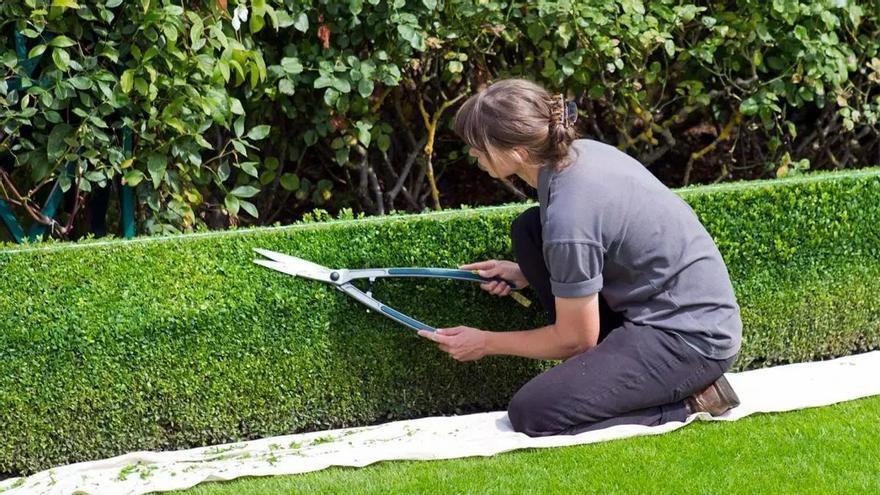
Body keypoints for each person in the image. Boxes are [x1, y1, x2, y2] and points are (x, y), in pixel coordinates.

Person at [417, 78, 742, 436]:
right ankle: (609, 374)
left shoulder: (569, 216)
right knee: (529, 231)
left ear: (517, 153)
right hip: (669, 308)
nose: (473, 155)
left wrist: (486, 341)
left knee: (533, 412)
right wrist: (523, 273)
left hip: (690, 339)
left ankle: (695, 399)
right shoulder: (578, 155)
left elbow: (575, 341)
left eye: (478, 147)